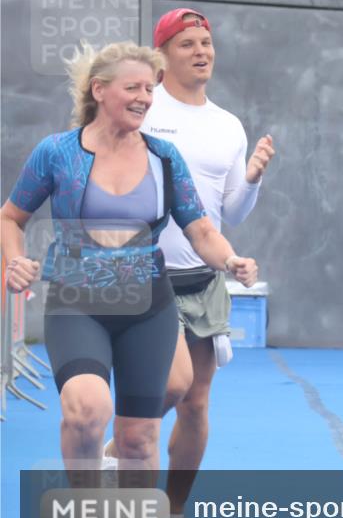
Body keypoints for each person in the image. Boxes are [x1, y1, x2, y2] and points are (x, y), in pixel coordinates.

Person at [0, 41, 258, 488]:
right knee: (85, 411)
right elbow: (10, 217)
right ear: (99, 90)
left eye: (149, 89)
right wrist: (15, 260)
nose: (144, 97)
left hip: (147, 304)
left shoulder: (163, 157)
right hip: (77, 299)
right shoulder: (57, 152)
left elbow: (200, 231)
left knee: (139, 439)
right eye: (132, 87)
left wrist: (231, 259)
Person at [102, 8, 276, 518]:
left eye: (207, 43)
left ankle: (172, 517)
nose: (202, 51)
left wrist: (250, 180)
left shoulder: (227, 125)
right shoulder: (145, 111)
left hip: (204, 280)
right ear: (163, 55)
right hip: (144, 278)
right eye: (187, 44)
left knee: (196, 404)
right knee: (168, 392)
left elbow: (227, 214)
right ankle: (115, 463)